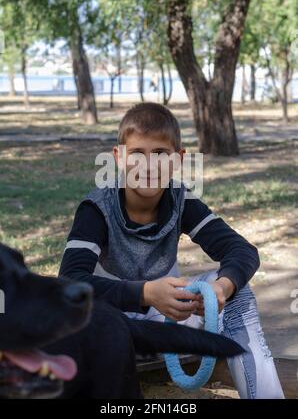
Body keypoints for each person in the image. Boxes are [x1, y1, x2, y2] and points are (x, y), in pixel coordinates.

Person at [59, 102, 284, 399]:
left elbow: (241, 250)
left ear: (178, 160)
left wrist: (221, 288)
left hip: (168, 322)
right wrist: (145, 293)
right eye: (137, 154)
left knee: (237, 292)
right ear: (118, 158)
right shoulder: (97, 209)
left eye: (160, 154)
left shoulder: (182, 201)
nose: (149, 166)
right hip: (114, 325)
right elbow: (70, 281)